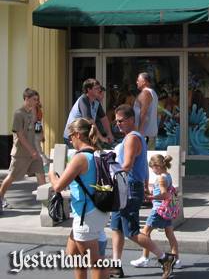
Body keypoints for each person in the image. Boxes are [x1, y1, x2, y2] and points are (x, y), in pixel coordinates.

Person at [110, 104, 175, 279]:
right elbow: (144, 167)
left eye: (121, 121)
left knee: (131, 231)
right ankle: (116, 266)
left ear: (131, 119)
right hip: (127, 186)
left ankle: (165, 258)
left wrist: (109, 175)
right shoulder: (136, 137)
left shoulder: (132, 138)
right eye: (116, 121)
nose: (118, 124)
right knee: (116, 227)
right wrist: (146, 185)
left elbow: (128, 165)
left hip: (129, 188)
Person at [48, 118, 110, 279]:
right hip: (97, 210)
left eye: (70, 136)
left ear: (77, 134)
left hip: (86, 215)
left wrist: (51, 174)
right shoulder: (97, 153)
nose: (70, 140)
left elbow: (58, 186)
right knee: (74, 253)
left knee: (95, 263)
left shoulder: (80, 158)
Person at [130, 154, 181, 269]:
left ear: (157, 166)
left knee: (145, 233)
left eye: (152, 168)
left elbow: (164, 194)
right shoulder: (168, 175)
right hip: (166, 210)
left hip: (158, 210)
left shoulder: (161, 178)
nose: (152, 171)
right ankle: (176, 259)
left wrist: (150, 198)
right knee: (170, 234)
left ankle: (145, 258)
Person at [0, 88, 46, 212]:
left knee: (41, 174)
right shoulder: (18, 114)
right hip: (20, 153)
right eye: (34, 99)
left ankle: (47, 204)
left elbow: (36, 127)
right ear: (26, 99)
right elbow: (20, 135)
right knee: (12, 177)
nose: (37, 102)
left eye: (37, 99)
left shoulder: (33, 112)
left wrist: (41, 134)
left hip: (34, 153)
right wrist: (31, 150)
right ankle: (0, 197)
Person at [64, 79, 114, 146]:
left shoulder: (96, 101)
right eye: (96, 88)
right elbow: (90, 121)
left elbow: (104, 118)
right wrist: (102, 138)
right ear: (89, 90)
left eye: (99, 88)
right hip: (72, 137)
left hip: (82, 136)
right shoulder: (83, 100)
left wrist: (109, 134)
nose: (99, 90)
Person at [133, 73, 158, 149]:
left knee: (145, 159)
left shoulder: (146, 93)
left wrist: (139, 134)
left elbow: (143, 114)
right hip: (148, 135)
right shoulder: (151, 92)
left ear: (144, 81)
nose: (136, 82)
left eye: (138, 80)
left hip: (145, 136)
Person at [33, 92, 50, 166]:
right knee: (37, 147)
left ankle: (45, 160)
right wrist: (42, 133)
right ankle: (45, 160)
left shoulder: (34, 108)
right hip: (38, 128)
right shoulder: (38, 108)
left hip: (35, 129)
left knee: (37, 148)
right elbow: (39, 121)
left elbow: (35, 120)